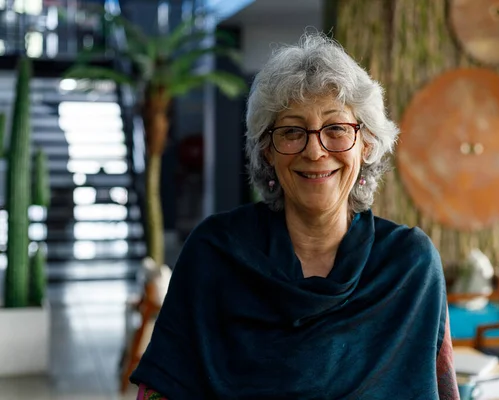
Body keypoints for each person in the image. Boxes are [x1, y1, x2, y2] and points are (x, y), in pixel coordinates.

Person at [131, 32, 459, 399]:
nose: (315, 151)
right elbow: (160, 390)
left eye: (336, 129)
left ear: (366, 144)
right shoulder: (214, 253)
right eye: (291, 131)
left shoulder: (409, 264)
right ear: (267, 150)